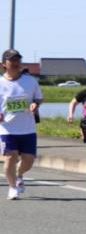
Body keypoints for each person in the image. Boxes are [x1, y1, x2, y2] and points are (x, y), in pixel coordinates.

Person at [0, 49, 43, 200]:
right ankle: (12, 187)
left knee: (29, 161)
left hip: (27, 128)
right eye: (12, 60)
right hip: (7, 128)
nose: (16, 63)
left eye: (18, 60)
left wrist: (35, 105)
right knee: (10, 158)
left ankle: (19, 174)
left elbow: (38, 98)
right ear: (3, 64)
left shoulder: (30, 81)